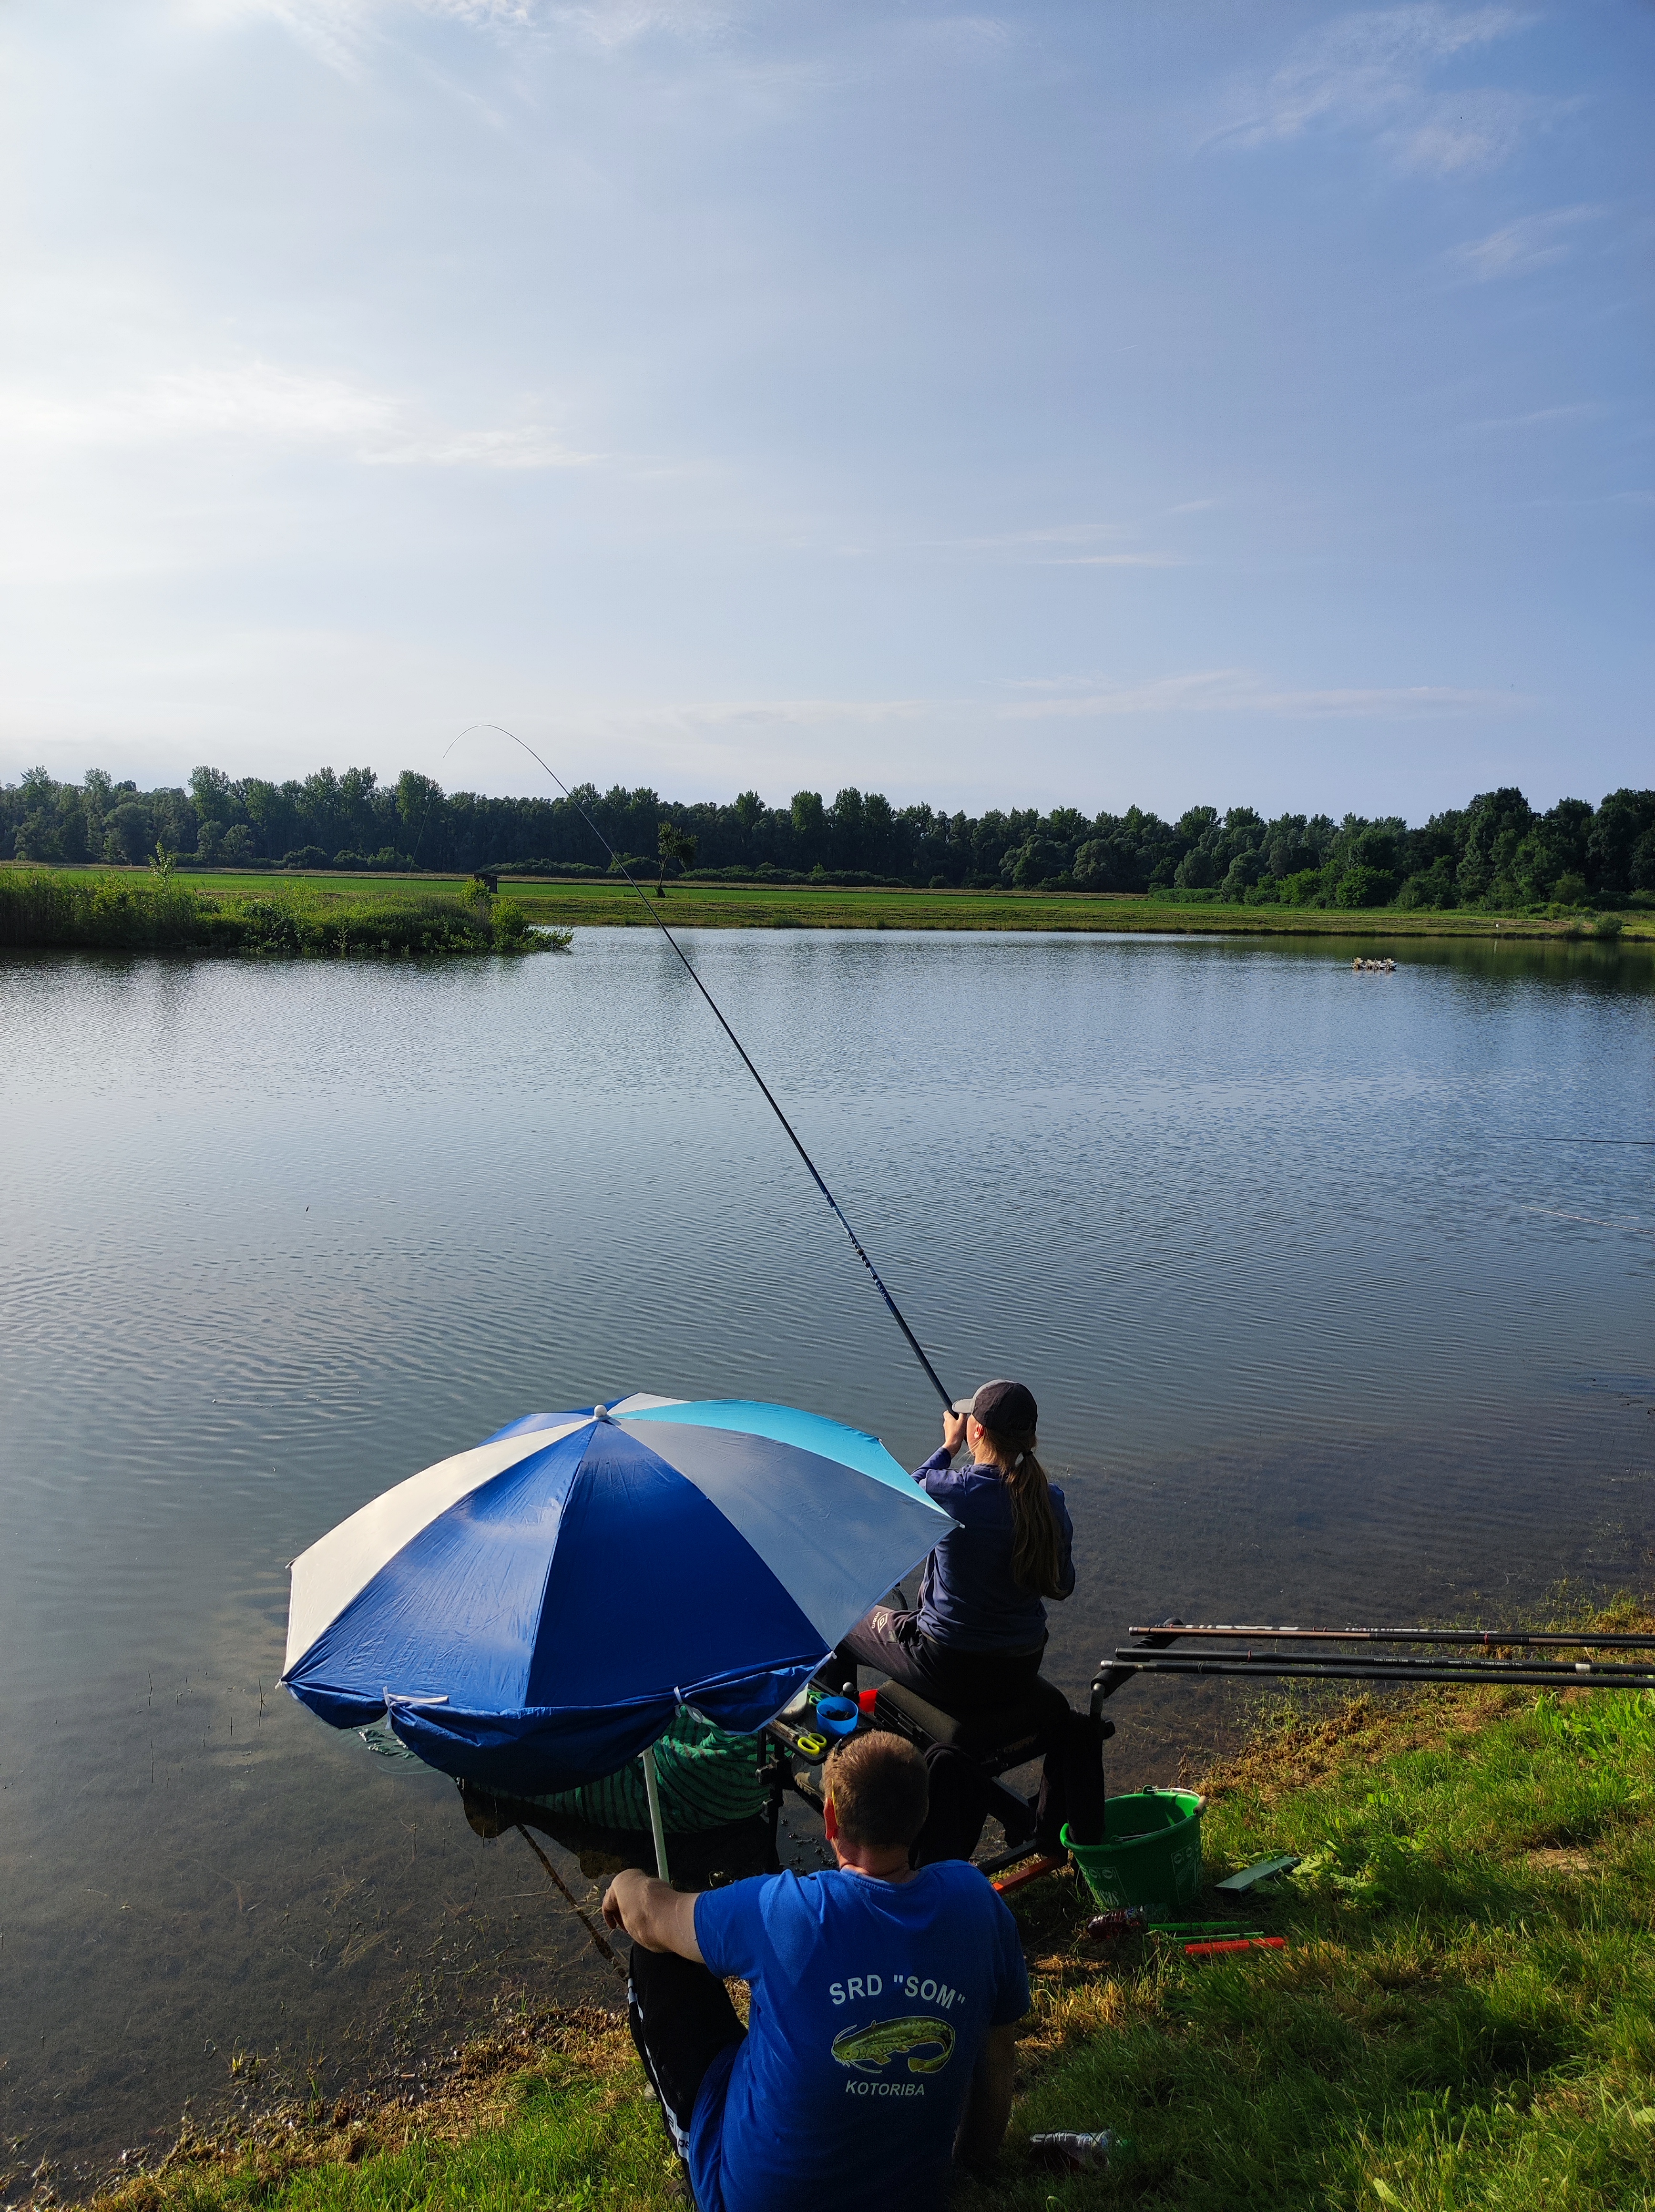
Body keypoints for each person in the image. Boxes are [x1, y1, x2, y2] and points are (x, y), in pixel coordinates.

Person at [603, 1731, 1029, 2212]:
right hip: (911, 2196)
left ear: (830, 1816)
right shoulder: (976, 1902)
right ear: (922, 1813)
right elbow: (997, 2058)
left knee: (658, 1955)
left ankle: (696, 2160)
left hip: (742, 2199)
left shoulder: (785, 1909)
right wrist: (970, 2166)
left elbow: (650, 1916)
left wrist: (627, 1879)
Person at [833, 1378, 1075, 1720]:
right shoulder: (1051, 1501)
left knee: (838, 1620)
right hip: (1021, 1665)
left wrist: (947, 1447)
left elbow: (895, 1501)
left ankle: (839, 1735)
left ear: (976, 1432)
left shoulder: (952, 1492)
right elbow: (1064, 1586)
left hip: (946, 1664)